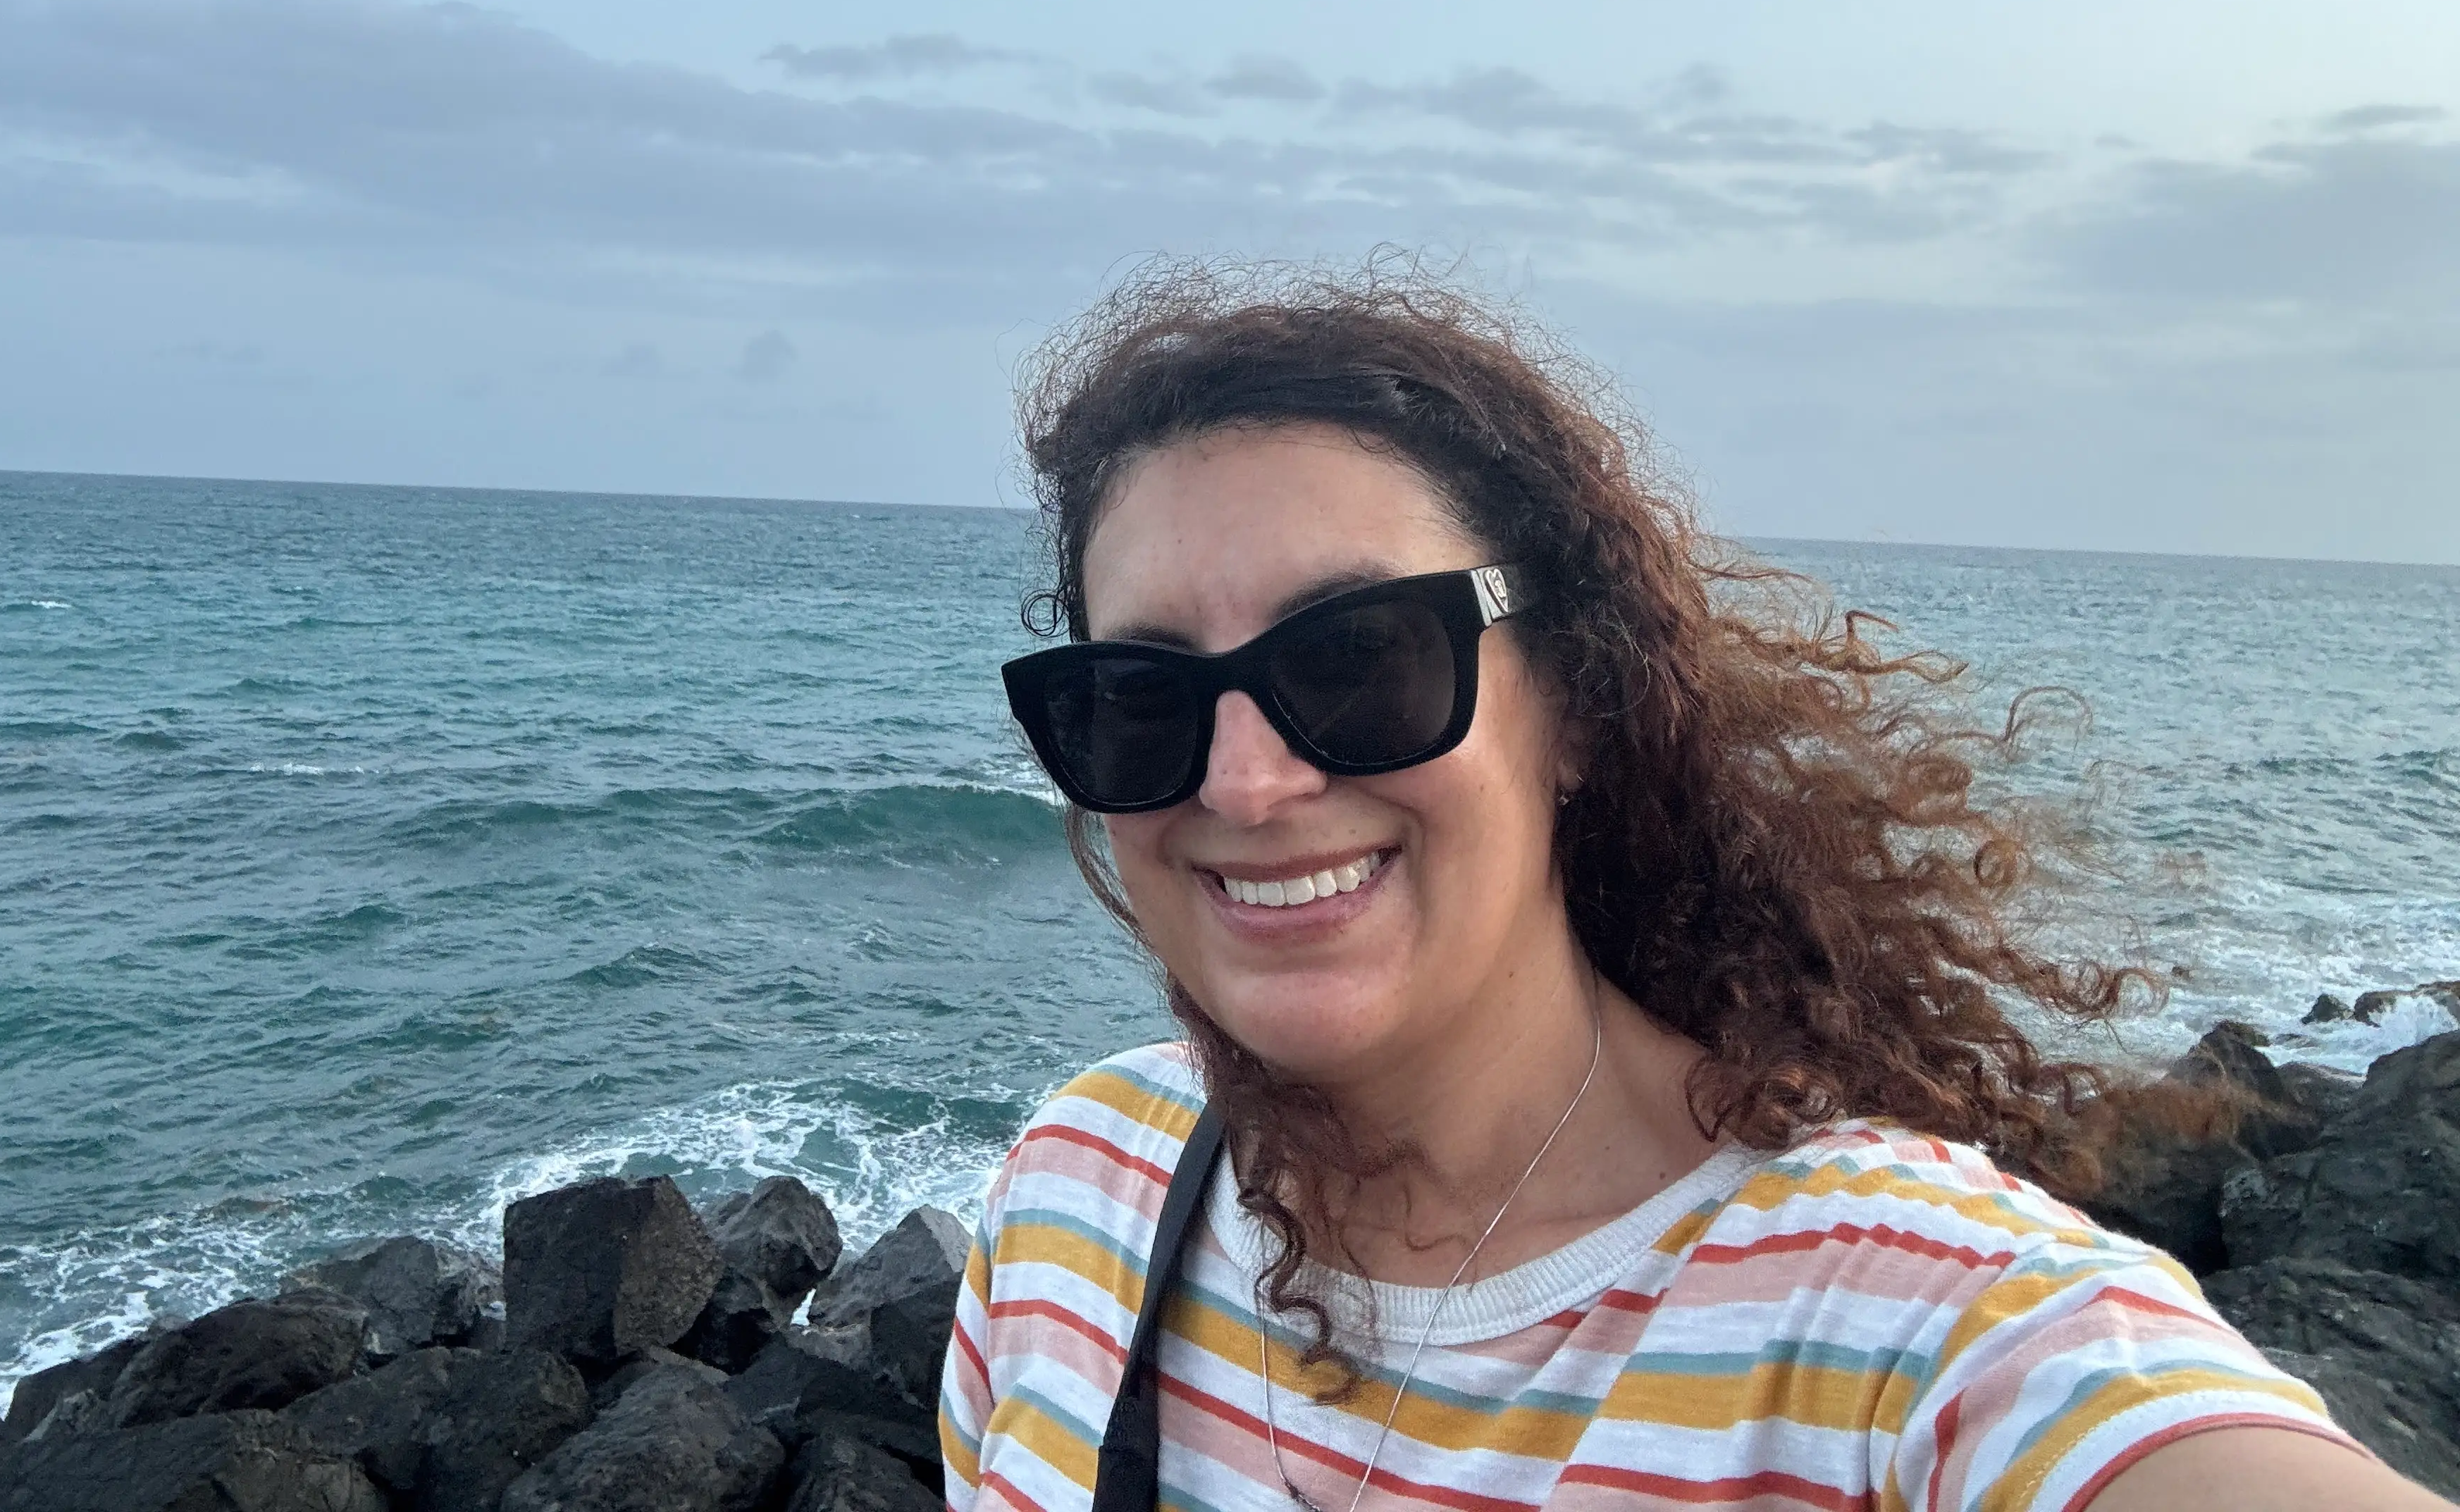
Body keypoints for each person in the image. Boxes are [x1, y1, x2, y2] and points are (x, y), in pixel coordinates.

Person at [939, 264, 2443, 1512]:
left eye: (1363, 660)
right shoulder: (1076, 1194)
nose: (1246, 783)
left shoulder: (1898, 1316)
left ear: (1577, 704)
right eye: (1139, 698)